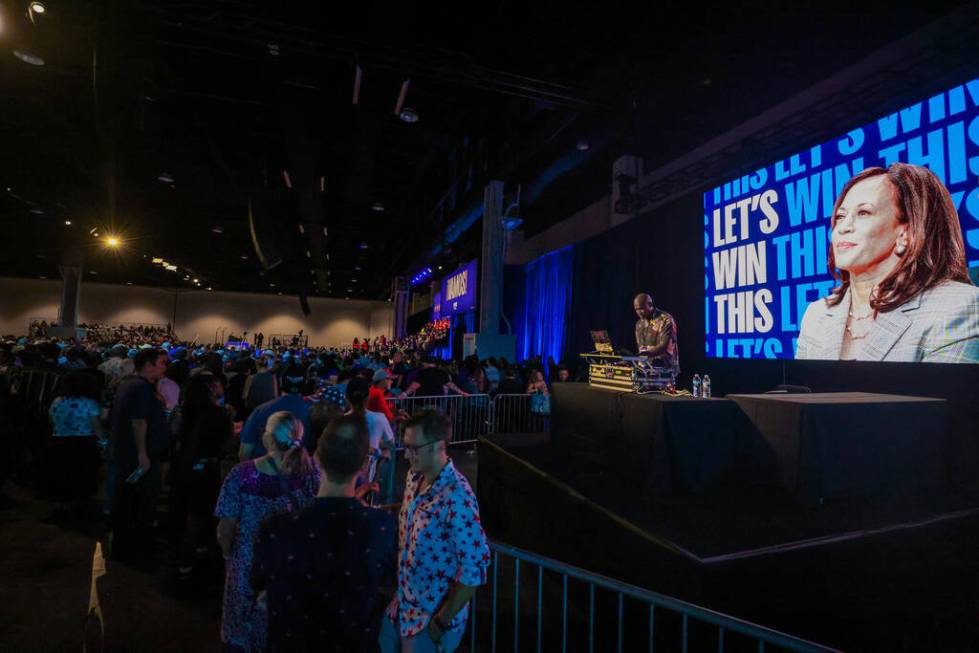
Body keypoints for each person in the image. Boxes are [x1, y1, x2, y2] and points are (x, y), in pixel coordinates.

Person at [797, 163, 979, 362]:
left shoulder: (958, 306)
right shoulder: (817, 315)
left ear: (906, 233)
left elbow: (943, 393)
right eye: (840, 216)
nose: (843, 227)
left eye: (863, 213)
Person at [251, 415, 397, 652]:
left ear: (317, 458)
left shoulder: (278, 528)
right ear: (362, 466)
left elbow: (257, 580)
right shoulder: (381, 528)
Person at [381, 409, 490, 653]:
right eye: (405, 446)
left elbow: (474, 567)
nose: (406, 454)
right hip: (405, 602)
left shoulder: (457, 497)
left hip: (430, 616)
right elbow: (414, 510)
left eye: (413, 448)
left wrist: (441, 621)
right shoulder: (413, 477)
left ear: (438, 446)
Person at [215, 411, 319, 652]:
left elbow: (225, 528)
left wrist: (226, 554)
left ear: (269, 439)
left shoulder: (241, 474)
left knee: (240, 629)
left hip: (248, 561)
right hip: (292, 563)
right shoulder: (311, 471)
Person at [109, 347, 169, 568]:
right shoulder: (140, 388)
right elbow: (138, 422)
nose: (166, 367)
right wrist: (142, 453)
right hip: (138, 458)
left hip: (128, 455)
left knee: (127, 501)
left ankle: (125, 546)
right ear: (149, 365)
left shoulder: (129, 384)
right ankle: (133, 551)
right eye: (163, 362)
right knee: (138, 504)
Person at [172, 372, 233, 580]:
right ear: (210, 388)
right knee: (201, 513)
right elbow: (224, 446)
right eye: (217, 384)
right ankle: (189, 558)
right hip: (206, 468)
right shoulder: (218, 414)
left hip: (184, 465)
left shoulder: (184, 411)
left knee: (187, 510)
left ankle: (186, 554)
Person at [47, 371, 105, 513]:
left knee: (61, 472)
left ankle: (60, 502)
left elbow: (51, 420)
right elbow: (96, 426)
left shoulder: (57, 400)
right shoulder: (89, 402)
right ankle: (77, 503)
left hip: (59, 441)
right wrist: (104, 441)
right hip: (83, 443)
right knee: (81, 473)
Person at [239, 365, 313, 460]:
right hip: (300, 470)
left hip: (263, 469)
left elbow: (244, 453)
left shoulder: (261, 410)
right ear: (305, 383)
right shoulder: (314, 411)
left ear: (280, 382)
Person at [346, 376, 396, 501]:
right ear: (368, 398)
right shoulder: (379, 418)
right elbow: (391, 441)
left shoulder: (340, 420)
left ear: (346, 397)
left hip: (345, 473)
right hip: (368, 473)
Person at [633, 293, 679, 372]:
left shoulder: (666, 319)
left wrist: (644, 355)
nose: (639, 312)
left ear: (650, 305)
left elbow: (664, 347)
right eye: (636, 309)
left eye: (641, 309)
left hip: (664, 371)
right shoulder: (639, 324)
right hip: (644, 371)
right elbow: (641, 348)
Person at [405, 357, 470, 397]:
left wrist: (404, 394)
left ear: (425, 363)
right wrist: (462, 392)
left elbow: (415, 385)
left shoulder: (422, 372)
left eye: (423, 363)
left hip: (423, 402)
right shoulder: (441, 372)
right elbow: (450, 384)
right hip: (437, 402)